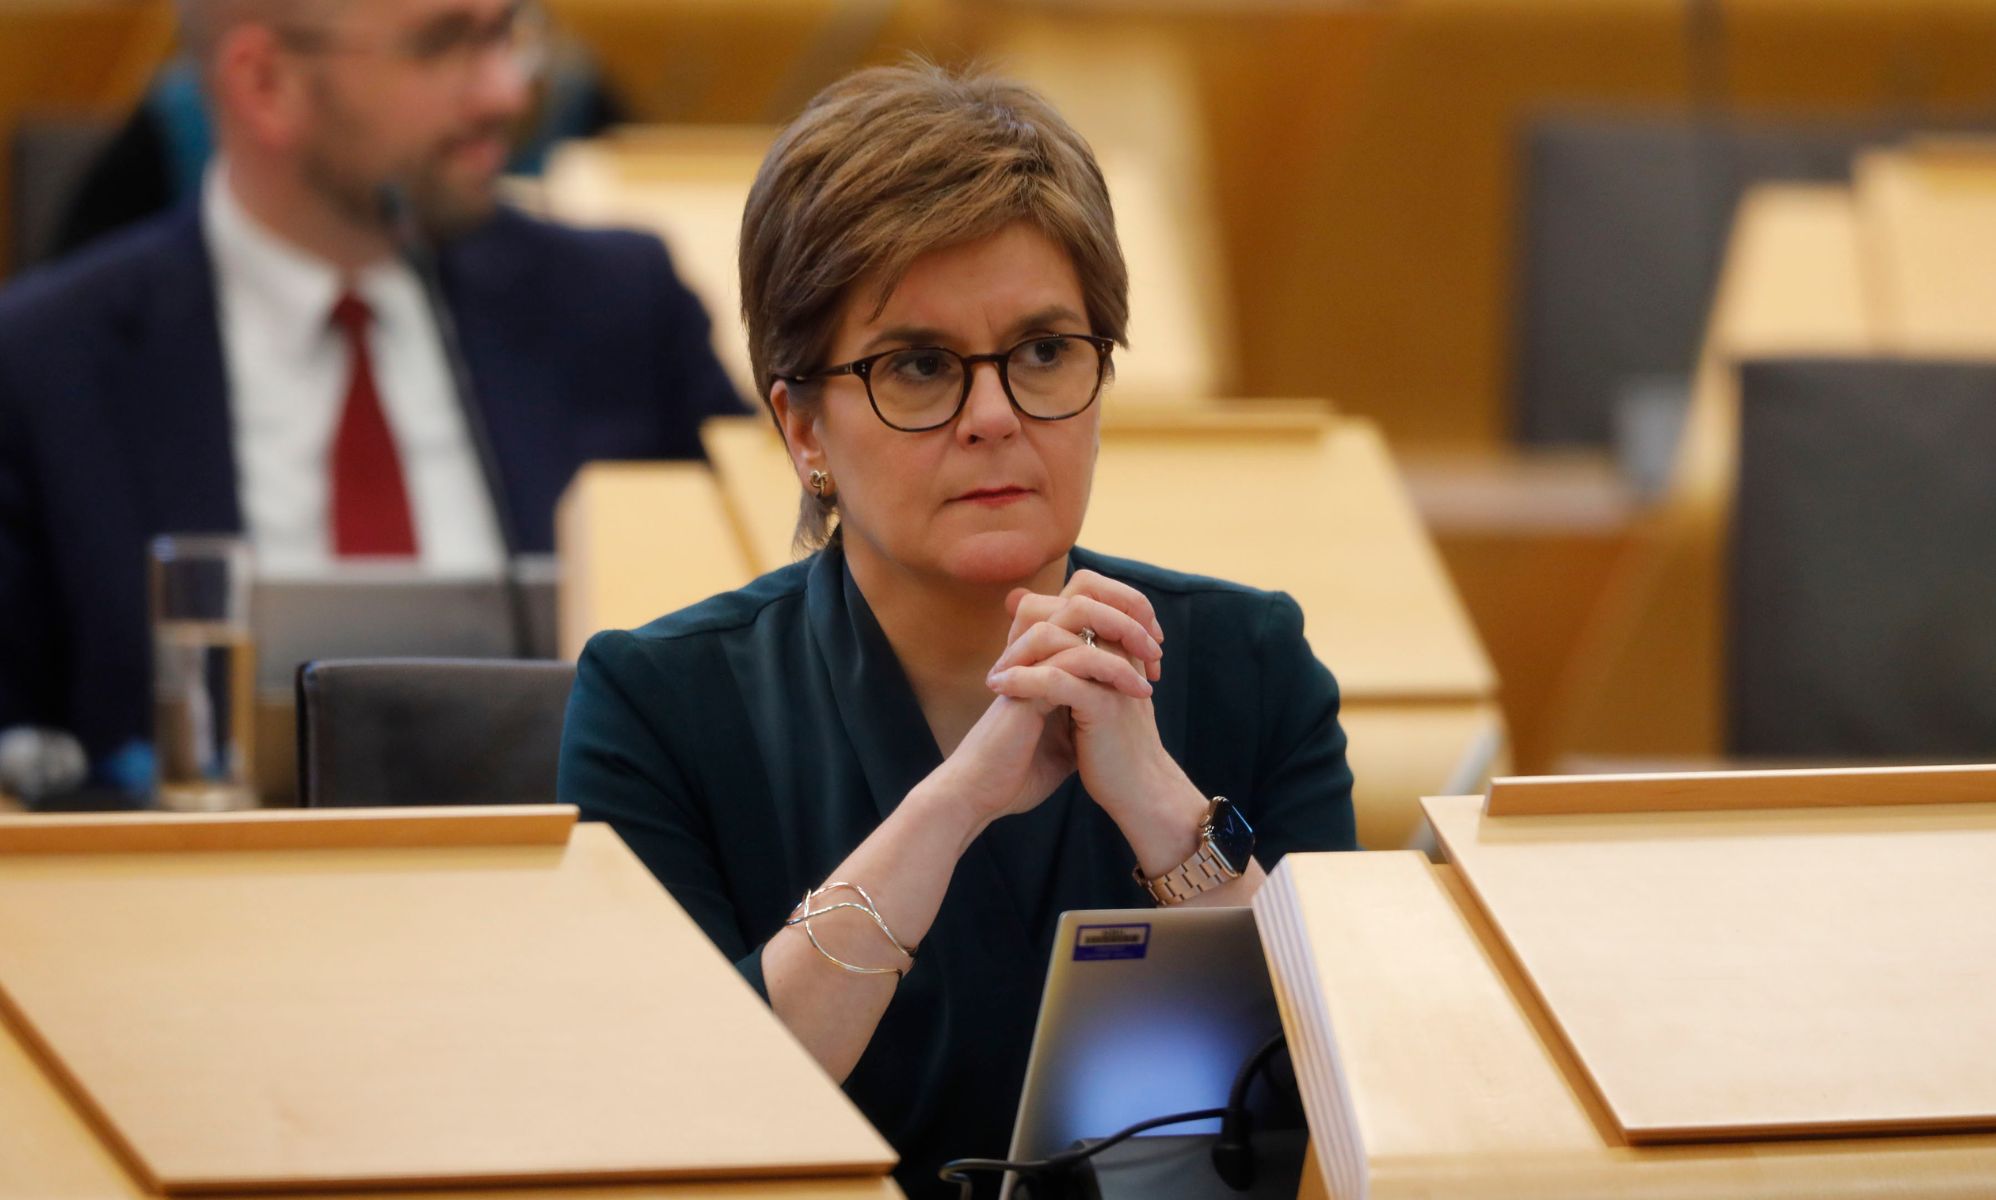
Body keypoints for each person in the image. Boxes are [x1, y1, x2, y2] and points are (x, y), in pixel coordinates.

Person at [557, 64, 1357, 1199]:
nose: (994, 418)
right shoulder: (658, 704)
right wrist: (951, 805)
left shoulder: (1250, 664)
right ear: (802, 430)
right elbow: (676, 1124)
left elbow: (1356, 1092)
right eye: (920, 368)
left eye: (1042, 353)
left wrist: (1173, 828)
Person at [0, 0, 740, 785]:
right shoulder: (42, 365)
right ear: (265, 84)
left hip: (584, 875)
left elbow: (775, 637)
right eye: (444, 44)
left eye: (508, 35)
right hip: (201, 890)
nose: (506, 94)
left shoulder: (622, 309)